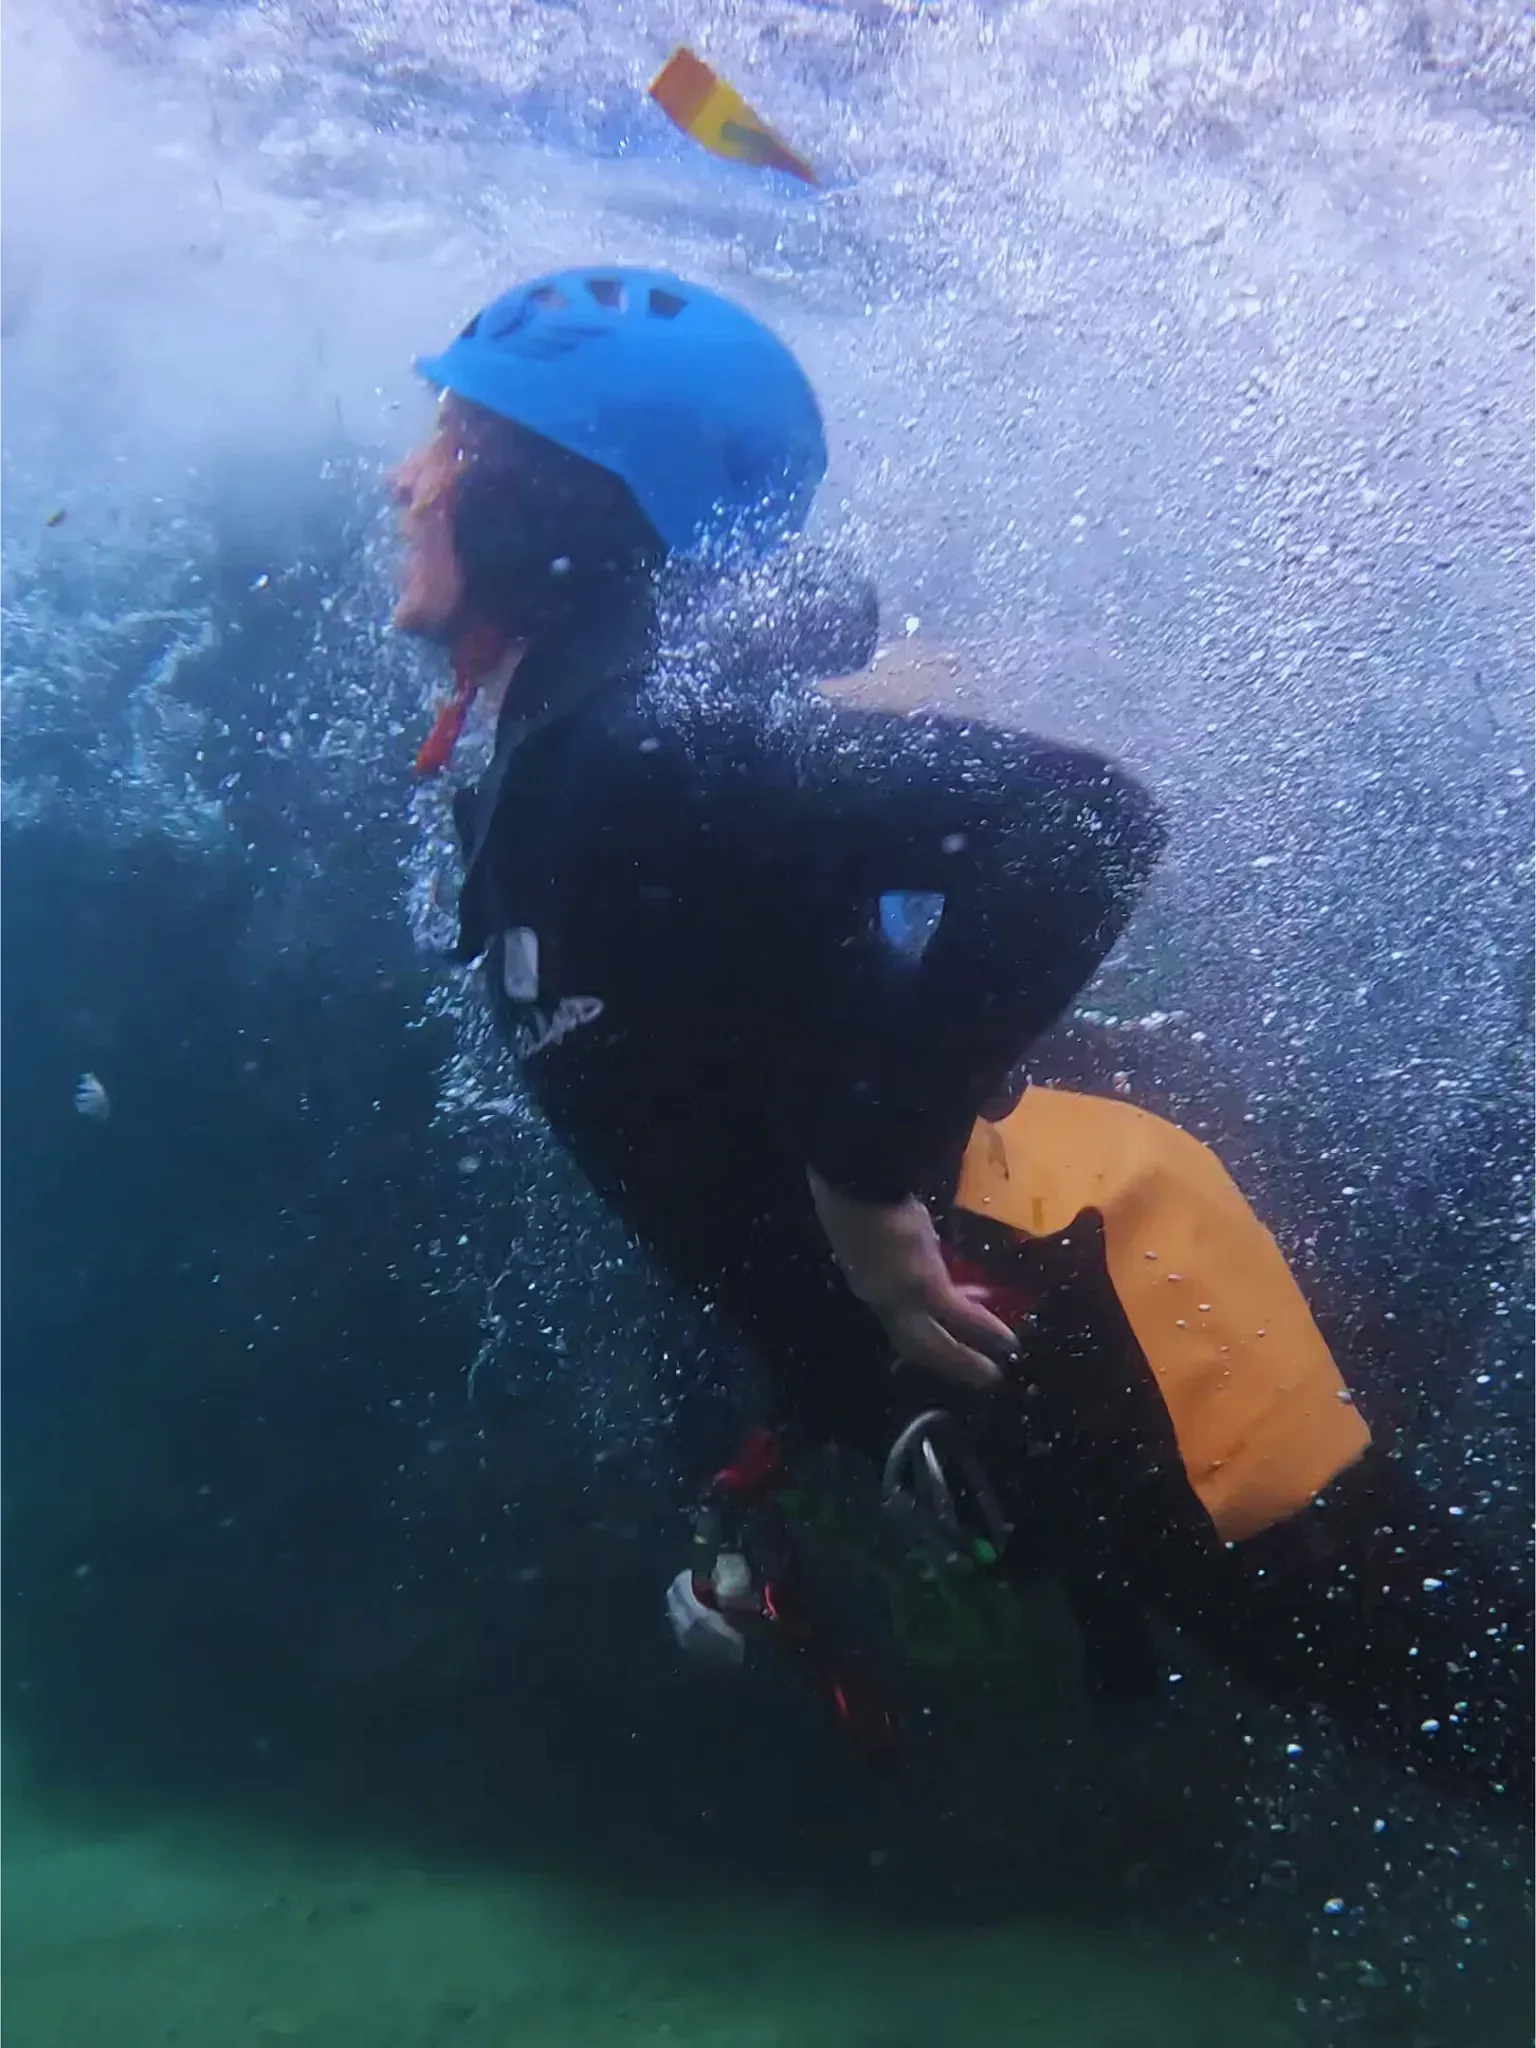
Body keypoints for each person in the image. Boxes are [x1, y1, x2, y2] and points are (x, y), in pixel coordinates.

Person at [390, 266, 1530, 1812]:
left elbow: (1083, 823)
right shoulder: (584, 748)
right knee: (1454, 1665)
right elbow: (706, 1129)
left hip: (1115, 1298)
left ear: (553, 499)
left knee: (1484, 1715)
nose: (407, 477)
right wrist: (774, 1447)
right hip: (1050, 1306)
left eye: (454, 441)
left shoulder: (638, 755)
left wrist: (869, 1176)